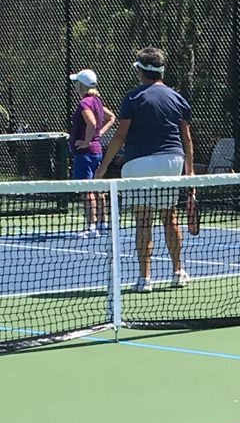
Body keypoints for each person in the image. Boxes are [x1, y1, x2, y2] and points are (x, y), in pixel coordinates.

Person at [96, 46, 194, 293]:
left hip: (139, 162)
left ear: (141, 71)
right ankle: (178, 272)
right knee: (169, 217)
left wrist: (103, 168)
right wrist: (190, 172)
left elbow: (120, 136)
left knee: (143, 221)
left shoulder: (132, 98)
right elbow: (187, 139)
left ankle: (144, 279)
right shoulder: (178, 98)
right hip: (172, 161)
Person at [68, 69, 116, 235]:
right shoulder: (96, 101)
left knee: (86, 188)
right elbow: (111, 118)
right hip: (96, 152)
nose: (75, 85)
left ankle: (92, 226)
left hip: (86, 153)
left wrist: (87, 141)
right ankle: (102, 224)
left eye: (76, 83)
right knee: (97, 187)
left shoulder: (85, 103)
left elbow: (92, 122)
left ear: (82, 85)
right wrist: (99, 134)